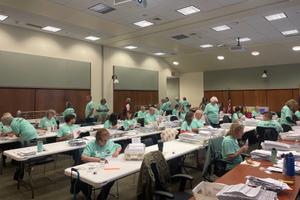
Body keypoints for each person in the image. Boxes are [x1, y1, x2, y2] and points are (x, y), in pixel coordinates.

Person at [81, 128, 121, 200]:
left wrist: (117, 152)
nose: (106, 142)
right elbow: (83, 157)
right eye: (104, 140)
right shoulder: (91, 144)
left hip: (108, 167)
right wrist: (98, 160)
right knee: (82, 181)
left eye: (107, 140)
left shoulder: (108, 142)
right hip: (94, 168)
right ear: (97, 139)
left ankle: (102, 196)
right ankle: (88, 196)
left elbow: (118, 146)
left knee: (112, 178)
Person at [1, 113, 38, 180]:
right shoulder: (17, 119)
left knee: (24, 154)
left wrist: (11, 134)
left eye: (5, 123)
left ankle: (24, 169)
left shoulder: (12, 124)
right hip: (33, 134)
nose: (6, 125)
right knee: (29, 151)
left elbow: (17, 134)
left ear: (7, 121)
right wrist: (8, 133)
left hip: (27, 137)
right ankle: (26, 165)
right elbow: (17, 130)